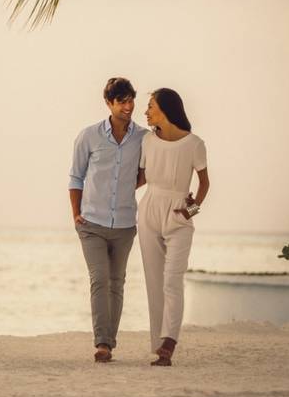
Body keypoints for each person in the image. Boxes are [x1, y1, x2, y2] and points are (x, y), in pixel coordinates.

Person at [69, 77, 146, 363]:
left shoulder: (143, 137)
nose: (128, 106)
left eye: (131, 100)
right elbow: (76, 176)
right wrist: (76, 214)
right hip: (91, 223)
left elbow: (148, 171)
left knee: (117, 282)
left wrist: (126, 188)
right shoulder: (88, 136)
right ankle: (102, 343)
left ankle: (109, 343)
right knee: (99, 279)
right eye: (122, 101)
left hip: (125, 224)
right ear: (109, 103)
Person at [137, 88, 210, 366]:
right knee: (154, 280)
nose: (146, 112)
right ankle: (158, 344)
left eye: (151, 106)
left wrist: (190, 211)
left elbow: (204, 183)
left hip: (179, 214)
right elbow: (141, 179)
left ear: (165, 109)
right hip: (149, 210)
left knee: (172, 279)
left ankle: (169, 341)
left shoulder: (194, 144)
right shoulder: (147, 141)